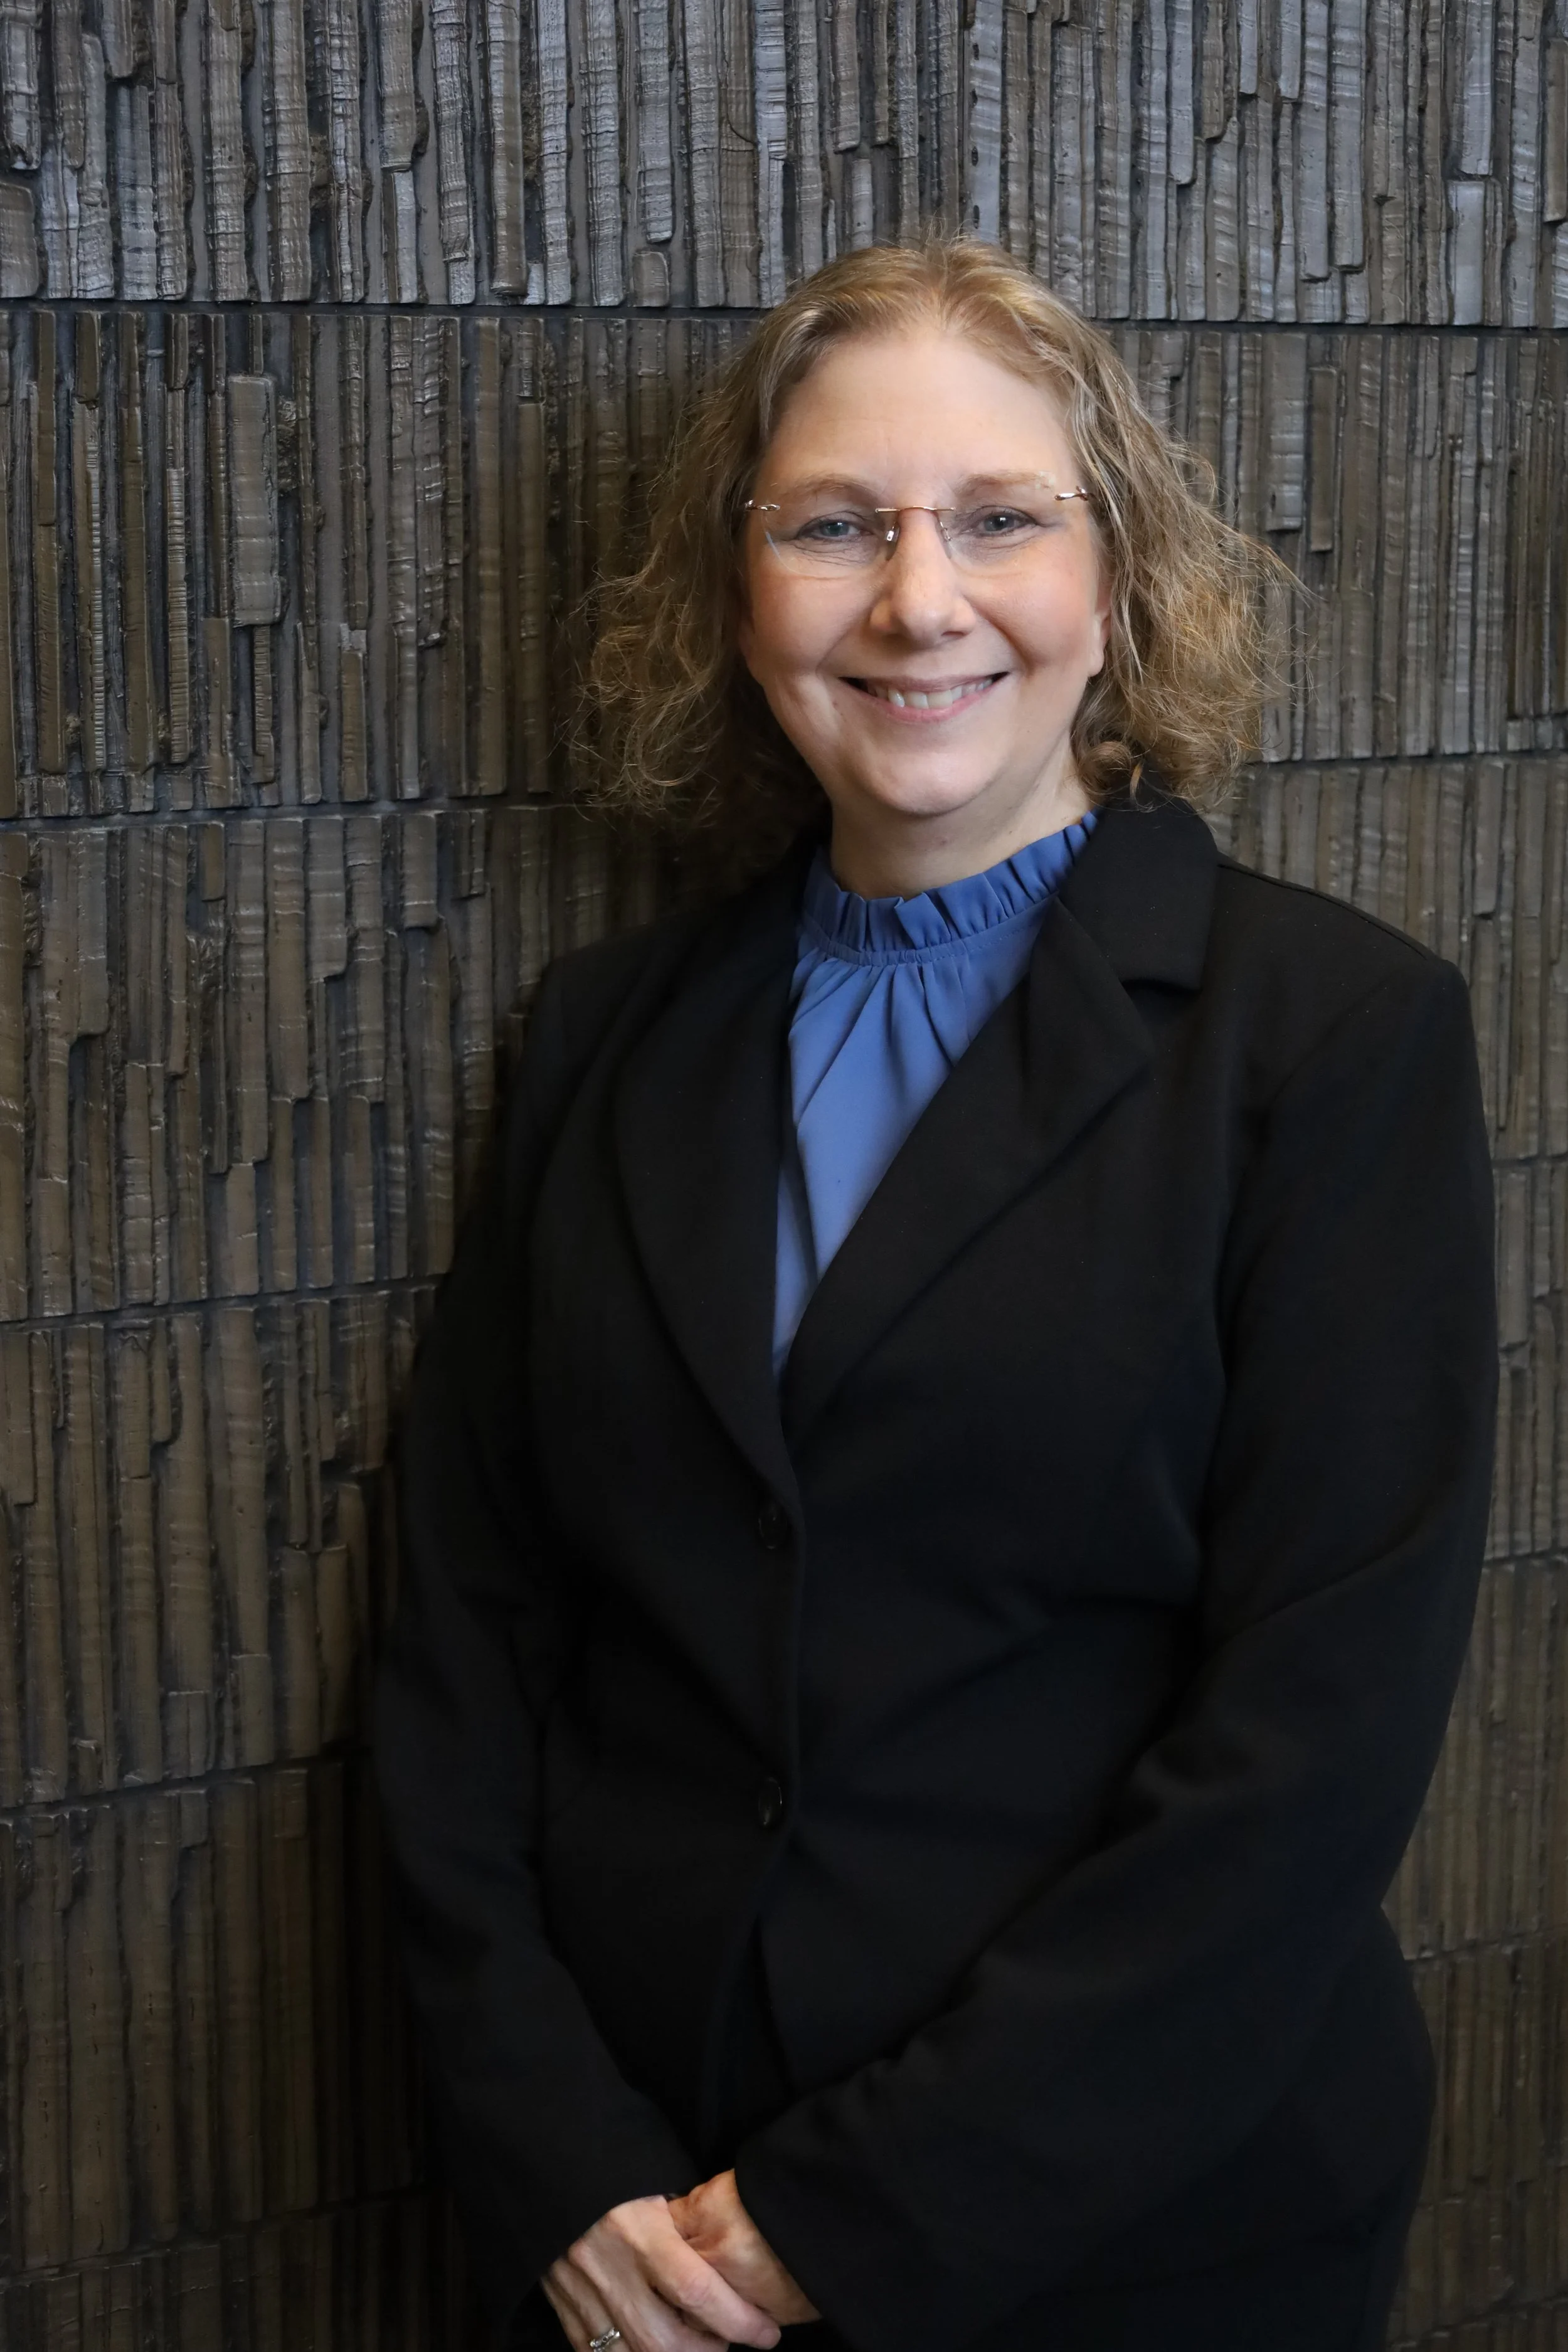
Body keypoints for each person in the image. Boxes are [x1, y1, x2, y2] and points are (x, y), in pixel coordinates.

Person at [373, 236, 1497, 2352]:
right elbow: (465, 1639)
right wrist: (554, 2152)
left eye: (998, 519)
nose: (915, 597)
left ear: (1115, 585)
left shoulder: (1329, 1042)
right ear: (739, 594)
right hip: (639, 2249)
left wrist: (841, 2219)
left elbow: (1309, 1750)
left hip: (1136, 2231)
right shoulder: (607, 1038)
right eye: (831, 526)